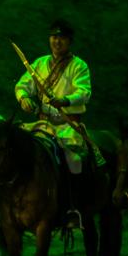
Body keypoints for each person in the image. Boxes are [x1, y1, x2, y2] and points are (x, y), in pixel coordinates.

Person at [14, 19, 93, 175]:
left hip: (67, 126)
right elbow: (21, 86)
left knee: (74, 164)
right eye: (54, 37)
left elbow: (84, 93)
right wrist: (24, 98)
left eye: (62, 38)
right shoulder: (40, 63)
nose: (57, 41)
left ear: (69, 41)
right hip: (43, 124)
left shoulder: (79, 66)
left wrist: (64, 101)